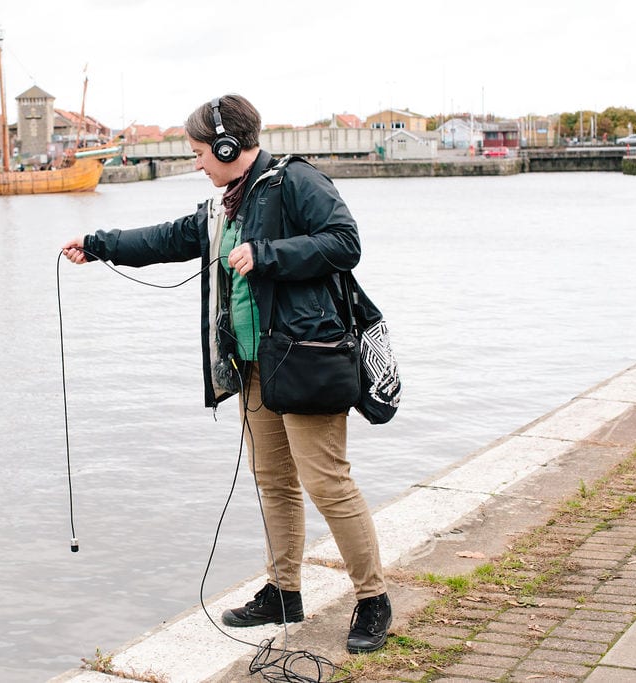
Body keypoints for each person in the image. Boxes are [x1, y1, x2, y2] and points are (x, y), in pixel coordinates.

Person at [61, 94, 391, 654]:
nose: (196, 163)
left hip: (306, 358)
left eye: (199, 153)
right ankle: (284, 591)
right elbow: (168, 238)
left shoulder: (296, 183)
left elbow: (344, 244)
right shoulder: (223, 206)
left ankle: (373, 599)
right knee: (274, 484)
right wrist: (99, 246)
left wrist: (267, 254)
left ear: (227, 146)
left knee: (326, 482)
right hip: (252, 365)